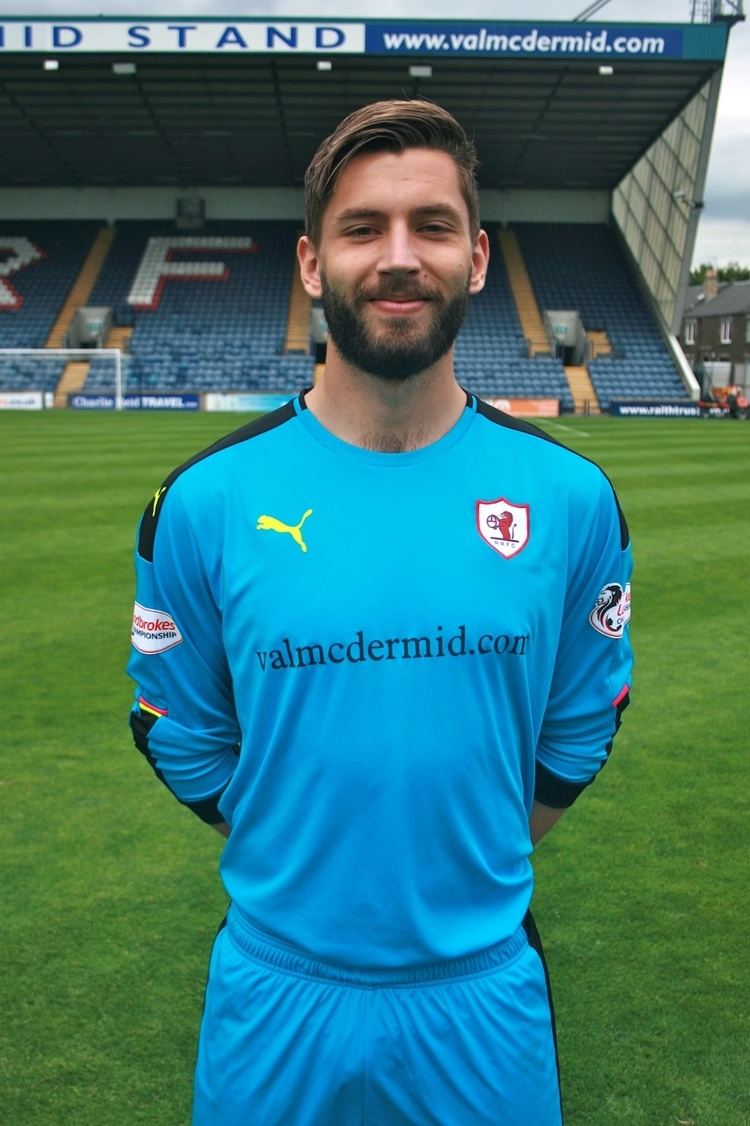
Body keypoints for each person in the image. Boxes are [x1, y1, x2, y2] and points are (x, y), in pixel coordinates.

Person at [127, 99, 633, 1125]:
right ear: (313, 263)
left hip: (481, 997)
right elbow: (176, 729)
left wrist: (465, 845)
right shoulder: (203, 502)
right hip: (276, 993)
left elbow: (582, 724)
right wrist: (301, 839)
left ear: (478, 256)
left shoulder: (573, 500)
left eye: (431, 225)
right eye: (363, 228)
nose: (398, 256)